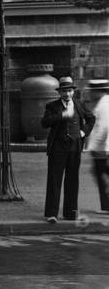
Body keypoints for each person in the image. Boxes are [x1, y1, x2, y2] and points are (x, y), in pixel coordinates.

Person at [42, 75, 95, 222]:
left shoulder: (79, 105)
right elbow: (44, 122)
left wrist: (83, 132)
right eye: (64, 91)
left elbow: (91, 118)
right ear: (59, 92)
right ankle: (51, 214)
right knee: (54, 180)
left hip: (75, 147)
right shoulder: (52, 106)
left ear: (73, 91)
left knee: (72, 180)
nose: (67, 94)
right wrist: (62, 115)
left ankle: (70, 213)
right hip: (57, 148)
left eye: (70, 91)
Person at [86, 79, 109, 214]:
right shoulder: (103, 103)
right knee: (100, 175)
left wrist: (93, 147)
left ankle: (106, 207)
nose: (90, 93)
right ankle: (106, 206)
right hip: (103, 148)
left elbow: (103, 128)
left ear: (97, 92)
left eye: (92, 91)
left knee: (100, 175)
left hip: (103, 149)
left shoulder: (104, 105)